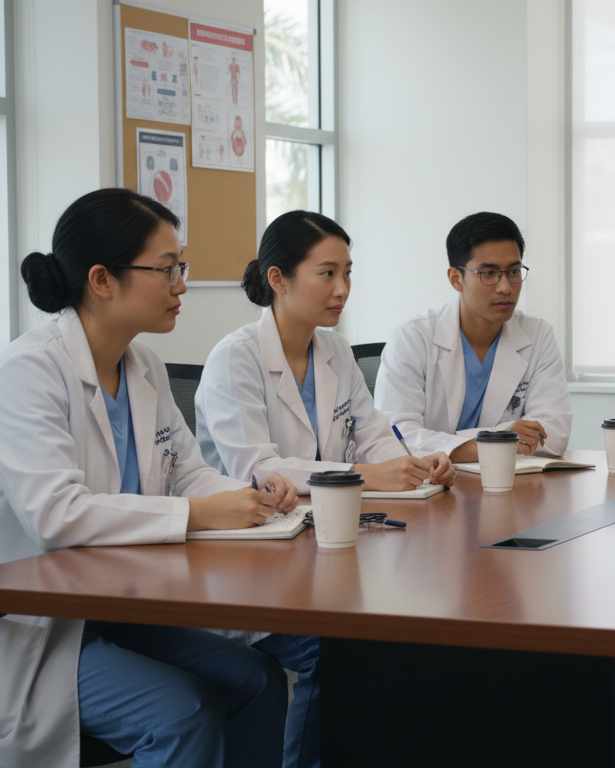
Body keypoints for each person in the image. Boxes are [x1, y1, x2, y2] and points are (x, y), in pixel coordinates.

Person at [0, 188, 298, 768]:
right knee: (184, 712)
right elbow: (56, 516)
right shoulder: (29, 372)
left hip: (116, 607)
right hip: (25, 624)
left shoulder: (141, 364)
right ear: (102, 280)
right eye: (167, 269)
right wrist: (202, 514)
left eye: (183, 265)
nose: (182, 284)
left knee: (257, 680)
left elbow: (189, 475)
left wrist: (251, 494)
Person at [196, 210, 455, 768]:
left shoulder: (333, 350)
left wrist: (417, 464)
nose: (342, 289)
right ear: (278, 278)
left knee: (403, 632)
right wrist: (365, 476)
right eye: (327, 274)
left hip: (322, 553)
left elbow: (373, 437)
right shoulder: (234, 359)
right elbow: (257, 469)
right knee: (332, 649)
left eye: (348, 273)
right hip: (250, 564)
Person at [374, 212, 572, 461]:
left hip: (508, 482)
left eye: (513, 271)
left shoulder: (538, 335)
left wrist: (475, 443)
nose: (505, 287)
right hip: (429, 486)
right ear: (456, 279)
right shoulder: (413, 337)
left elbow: (554, 433)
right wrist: (493, 441)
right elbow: (396, 435)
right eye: (488, 273)